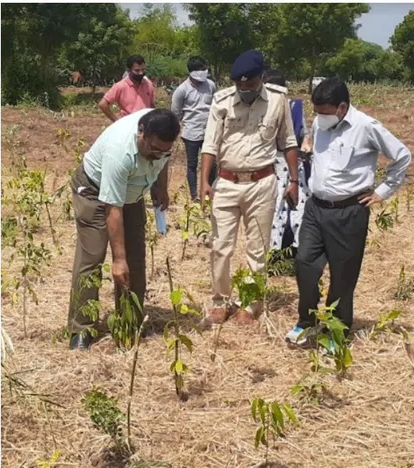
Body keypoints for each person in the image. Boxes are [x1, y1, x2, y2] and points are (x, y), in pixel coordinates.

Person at [286, 78, 411, 347]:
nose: (320, 117)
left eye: (326, 111)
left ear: (342, 107)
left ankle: (337, 330)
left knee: (343, 275)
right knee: (304, 263)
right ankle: (306, 322)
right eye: (317, 111)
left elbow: (402, 156)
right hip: (315, 208)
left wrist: (383, 191)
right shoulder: (321, 121)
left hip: (348, 212)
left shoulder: (366, 127)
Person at [198, 50, 299, 325]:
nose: (245, 89)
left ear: (261, 78)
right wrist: (204, 181)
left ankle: (250, 302)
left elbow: (289, 141)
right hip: (227, 183)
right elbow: (209, 145)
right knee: (220, 246)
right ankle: (220, 300)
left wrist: (294, 181)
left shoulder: (278, 100)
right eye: (240, 85)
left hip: (262, 184)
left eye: (250, 84)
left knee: (257, 248)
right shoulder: (221, 101)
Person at [66, 108, 180, 350]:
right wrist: (118, 259)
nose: (158, 154)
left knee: (135, 259)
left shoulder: (162, 138)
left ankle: (130, 323)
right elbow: (112, 208)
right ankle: (81, 329)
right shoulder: (120, 153)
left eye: (164, 150)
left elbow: (162, 158)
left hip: (131, 193)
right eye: (154, 149)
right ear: (141, 134)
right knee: (92, 257)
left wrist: (161, 187)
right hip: (95, 192)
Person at [264, 69, 312, 257]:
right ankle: (275, 252)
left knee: (296, 208)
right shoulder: (261, 110)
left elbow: (304, 134)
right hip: (271, 164)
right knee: (275, 208)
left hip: (293, 164)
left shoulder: (294, 108)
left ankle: (296, 251)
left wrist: (306, 145)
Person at [171, 56, 218, 201]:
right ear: (191, 72)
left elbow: (216, 105)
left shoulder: (210, 85)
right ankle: (194, 195)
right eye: (199, 69)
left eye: (204, 68)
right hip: (191, 133)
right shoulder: (182, 90)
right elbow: (176, 112)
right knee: (192, 164)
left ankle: (209, 192)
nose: (203, 72)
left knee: (212, 164)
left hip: (209, 132)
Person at [98, 55, 156, 122]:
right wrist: (117, 121)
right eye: (137, 70)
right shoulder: (120, 86)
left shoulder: (148, 84)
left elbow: (151, 105)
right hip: (129, 125)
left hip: (146, 124)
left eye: (142, 70)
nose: (141, 73)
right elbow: (102, 104)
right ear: (128, 70)